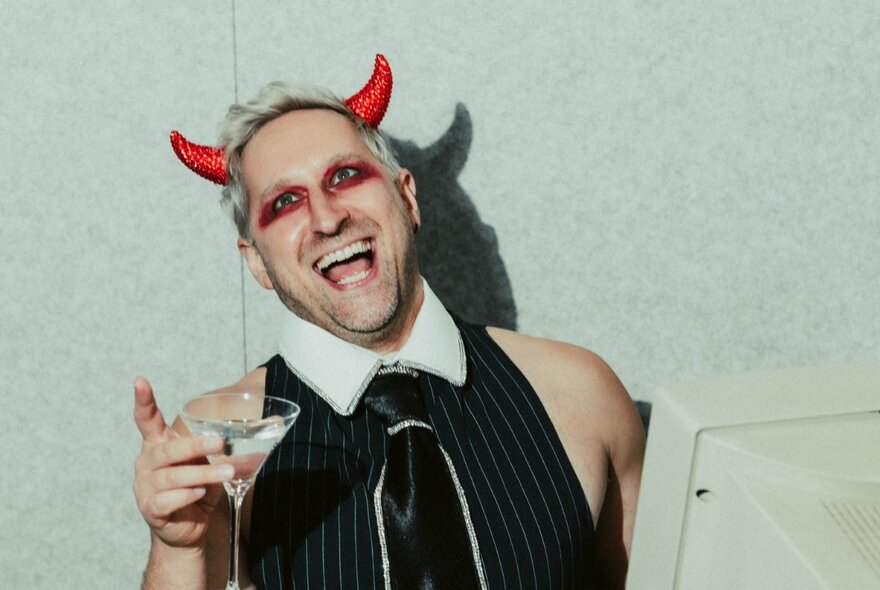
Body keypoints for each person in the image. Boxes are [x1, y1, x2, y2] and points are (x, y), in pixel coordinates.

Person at [133, 56, 645, 590]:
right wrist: (176, 550)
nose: (328, 218)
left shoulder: (580, 392)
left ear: (406, 197)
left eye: (345, 176)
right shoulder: (222, 443)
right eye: (285, 202)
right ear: (257, 261)